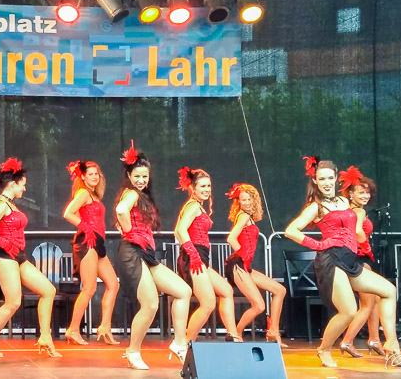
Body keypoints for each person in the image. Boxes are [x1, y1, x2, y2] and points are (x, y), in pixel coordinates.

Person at [284, 157, 401, 368]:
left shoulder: (344, 202)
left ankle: (391, 344)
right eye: (322, 179)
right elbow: (290, 231)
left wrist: (361, 221)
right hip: (331, 261)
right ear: (316, 181)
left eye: (330, 178)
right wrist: (319, 244)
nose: (327, 182)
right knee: (348, 310)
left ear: (336, 179)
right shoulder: (316, 207)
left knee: (389, 291)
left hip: (350, 260)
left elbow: (357, 225)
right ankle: (324, 349)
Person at [115, 141, 191, 370]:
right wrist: (129, 231)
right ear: (129, 176)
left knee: (183, 291)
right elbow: (121, 210)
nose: (141, 180)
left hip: (145, 252)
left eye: (144, 176)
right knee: (149, 305)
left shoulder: (140, 195)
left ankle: (179, 343)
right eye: (137, 176)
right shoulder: (131, 193)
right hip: (132, 252)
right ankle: (132, 351)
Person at [0, 158, 62, 358]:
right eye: (22, 185)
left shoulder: (10, 204)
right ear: (12, 184)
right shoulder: (1, 204)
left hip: (18, 255)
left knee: (48, 290)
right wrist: (6, 244)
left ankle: (45, 337)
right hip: (4, 255)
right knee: (13, 302)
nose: (24, 189)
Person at [174, 167, 241, 342]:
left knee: (226, 290)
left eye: (208, 186)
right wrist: (193, 254)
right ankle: (185, 343)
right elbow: (179, 230)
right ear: (192, 188)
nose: (206, 190)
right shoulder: (193, 206)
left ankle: (234, 336)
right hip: (193, 258)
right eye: (202, 186)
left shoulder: (197, 206)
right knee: (208, 303)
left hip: (200, 257)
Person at [63, 160, 120, 345]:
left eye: (96, 173)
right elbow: (68, 213)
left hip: (97, 243)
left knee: (113, 284)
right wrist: (86, 227)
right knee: (89, 288)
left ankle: (105, 327)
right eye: (91, 174)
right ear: (83, 177)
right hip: (87, 242)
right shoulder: (83, 193)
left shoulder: (94, 195)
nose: (95, 177)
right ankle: (73, 329)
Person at [224, 183, 287, 346]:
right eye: (242, 200)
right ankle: (236, 332)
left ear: (254, 200)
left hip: (245, 266)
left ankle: (273, 332)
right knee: (259, 305)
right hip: (237, 264)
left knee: (280, 290)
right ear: (238, 202)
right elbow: (231, 238)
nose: (246, 203)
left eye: (248, 199)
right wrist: (242, 254)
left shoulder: (248, 216)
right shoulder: (243, 216)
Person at [338, 167, 384, 357]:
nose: (365, 196)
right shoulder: (358, 211)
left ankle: (374, 339)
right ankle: (347, 341)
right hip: (359, 258)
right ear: (350, 193)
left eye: (367, 192)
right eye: (361, 192)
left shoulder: (352, 210)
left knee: (375, 298)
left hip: (358, 257)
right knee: (367, 303)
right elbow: (357, 231)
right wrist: (364, 244)